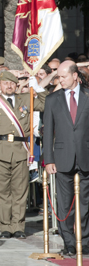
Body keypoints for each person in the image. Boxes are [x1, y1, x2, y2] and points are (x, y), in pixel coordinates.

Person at [0, 71, 46, 239]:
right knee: (2, 191)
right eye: (5, 83)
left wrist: (37, 87)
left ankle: (18, 226)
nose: (8, 86)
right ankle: (5, 226)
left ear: (17, 85)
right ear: (0, 85)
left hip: (21, 150)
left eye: (12, 83)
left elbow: (46, 103)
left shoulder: (26, 99)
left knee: (20, 191)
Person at [43, 61, 89, 256]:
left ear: (75, 75)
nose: (60, 80)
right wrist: (48, 159)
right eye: (58, 77)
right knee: (65, 204)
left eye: (63, 76)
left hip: (85, 156)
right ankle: (69, 242)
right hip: (62, 158)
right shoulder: (53, 99)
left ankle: (85, 241)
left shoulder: (88, 96)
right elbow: (48, 133)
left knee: (85, 204)